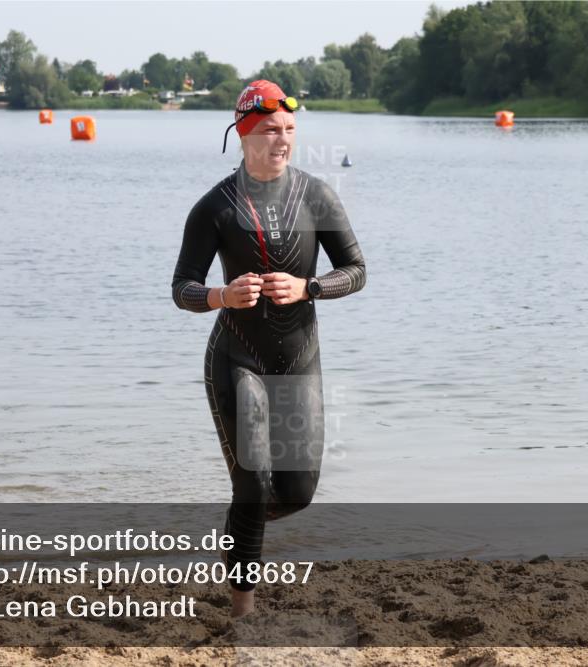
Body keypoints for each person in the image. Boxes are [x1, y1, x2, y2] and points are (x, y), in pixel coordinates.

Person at [171, 79, 366, 618]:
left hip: (299, 358)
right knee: (254, 481)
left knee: (297, 492)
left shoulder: (318, 195)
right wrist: (220, 295)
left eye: (290, 131)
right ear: (244, 135)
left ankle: (239, 526)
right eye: (271, 131)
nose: (283, 140)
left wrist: (311, 287)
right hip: (238, 357)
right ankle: (243, 610)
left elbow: (357, 271)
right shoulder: (215, 206)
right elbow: (181, 287)